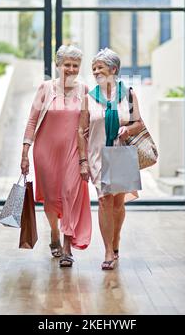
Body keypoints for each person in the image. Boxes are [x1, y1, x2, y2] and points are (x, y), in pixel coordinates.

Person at [21, 45, 92, 267]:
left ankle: (67, 247)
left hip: (73, 151)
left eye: (75, 65)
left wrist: (86, 158)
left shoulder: (84, 90)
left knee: (70, 193)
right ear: (58, 65)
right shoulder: (45, 88)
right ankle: (54, 232)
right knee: (51, 199)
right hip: (45, 152)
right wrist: (24, 152)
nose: (71, 69)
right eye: (66, 65)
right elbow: (32, 120)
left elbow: (87, 124)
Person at [78, 48, 142, 271]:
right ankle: (107, 251)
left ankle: (116, 243)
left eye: (100, 68)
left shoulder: (128, 94)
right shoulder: (89, 98)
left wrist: (127, 128)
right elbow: (80, 131)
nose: (95, 71)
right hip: (98, 156)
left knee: (117, 203)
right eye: (93, 68)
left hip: (122, 152)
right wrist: (83, 161)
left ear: (113, 70)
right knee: (105, 200)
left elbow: (139, 123)